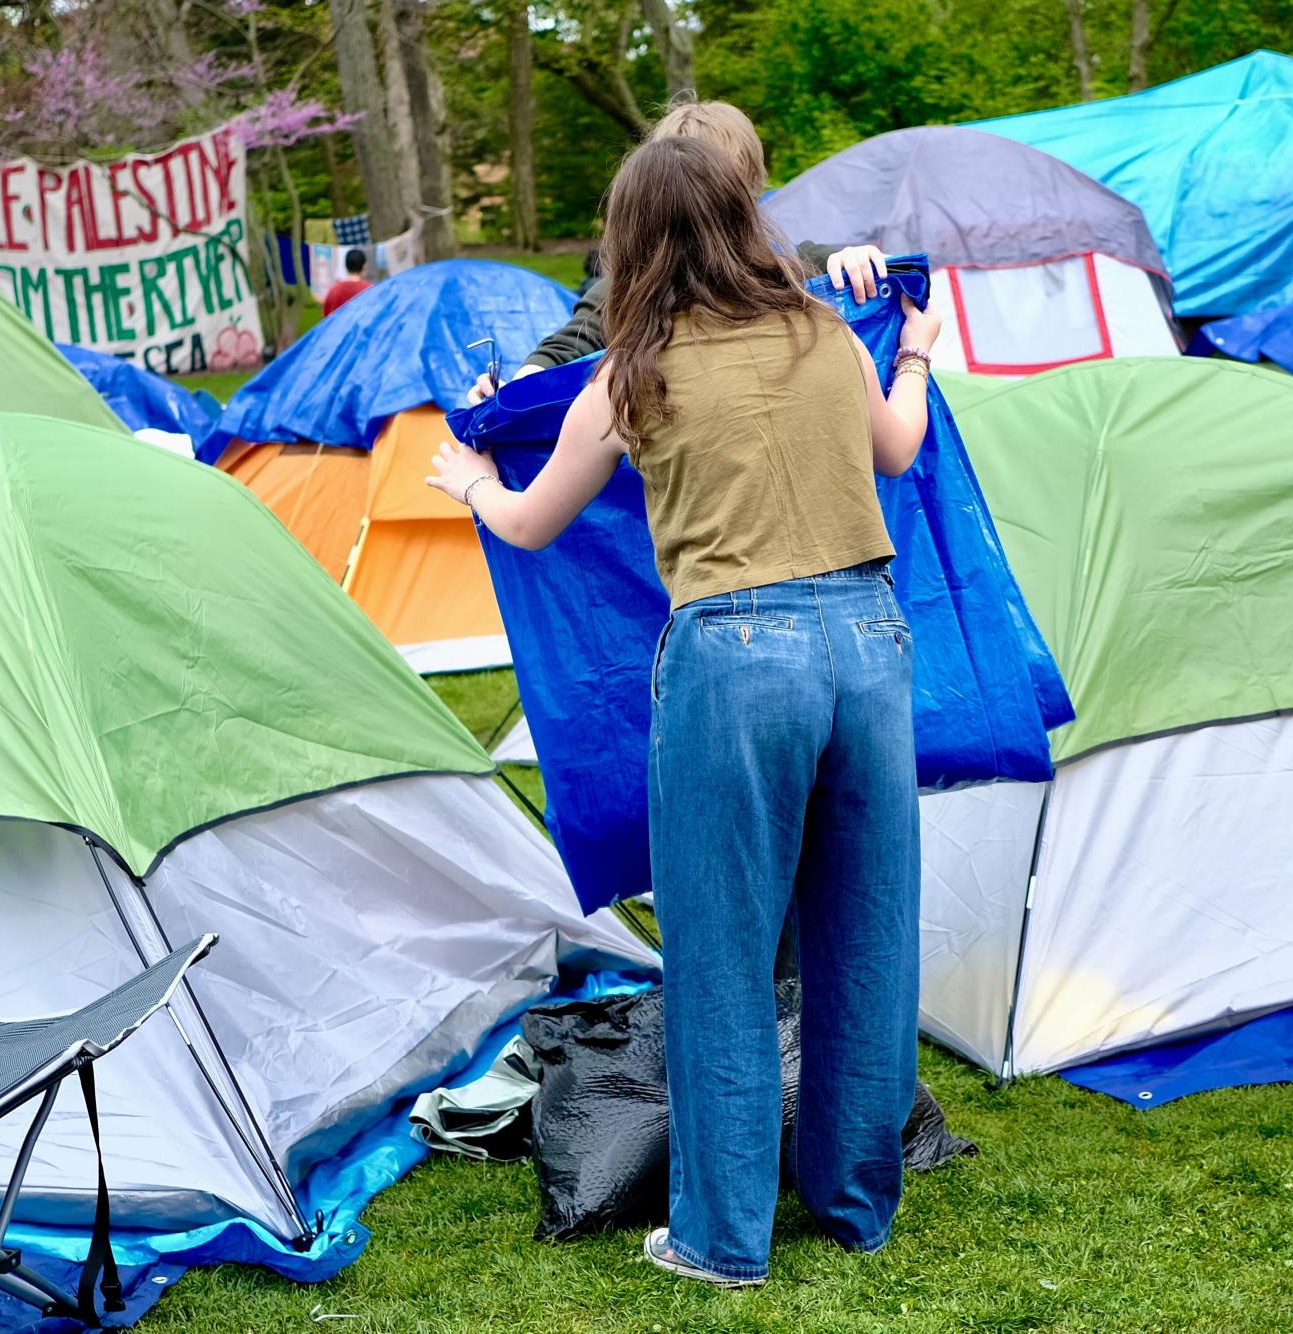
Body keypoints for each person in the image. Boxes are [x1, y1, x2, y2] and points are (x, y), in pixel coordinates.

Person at [426, 134, 942, 1287]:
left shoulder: (631, 370)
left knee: (721, 958)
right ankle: (856, 1205)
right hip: (870, 638)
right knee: (864, 944)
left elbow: (532, 523)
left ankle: (719, 1237)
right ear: (747, 217)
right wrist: (914, 355)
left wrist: (468, 480)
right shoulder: (818, 331)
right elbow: (899, 449)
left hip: (736, 658)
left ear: (632, 244)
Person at [467, 100, 889, 404]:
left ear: (749, 189)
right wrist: (519, 386)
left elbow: (850, 270)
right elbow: (574, 342)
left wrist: (853, 259)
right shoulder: (630, 283)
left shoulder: (785, 264)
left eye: (720, 193)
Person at [321, 249, 372, 317]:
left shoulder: (334, 290)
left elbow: (327, 319)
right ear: (364, 266)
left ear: (346, 265)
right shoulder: (370, 289)